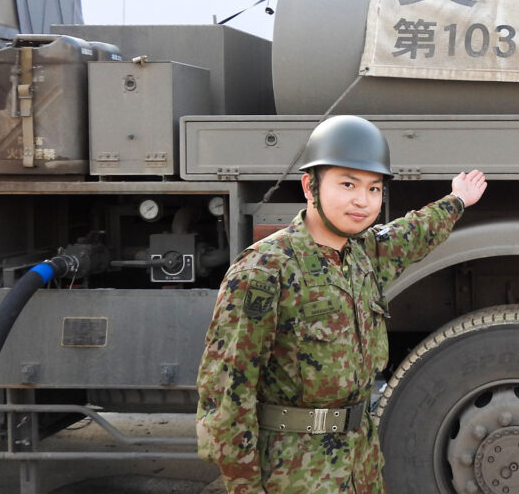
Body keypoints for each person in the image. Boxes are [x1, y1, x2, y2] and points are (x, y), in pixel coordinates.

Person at [195, 115, 487, 493]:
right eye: (347, 184)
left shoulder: (363, 255)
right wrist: (245, 488)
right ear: (309, 186)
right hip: (293, 473)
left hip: (358, 465)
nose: (362, 201)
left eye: (373, 188)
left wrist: (458, 199)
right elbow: (227, 395)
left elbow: (413, 233)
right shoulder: (266, 269)